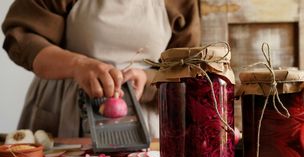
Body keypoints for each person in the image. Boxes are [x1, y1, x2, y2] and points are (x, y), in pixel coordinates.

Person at [2, 0, 201, 138]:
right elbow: (22, 36)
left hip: (145, 117)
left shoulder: (182, 3)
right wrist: (77, 65)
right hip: (63, 109)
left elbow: (185, 68)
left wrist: (148, 80)